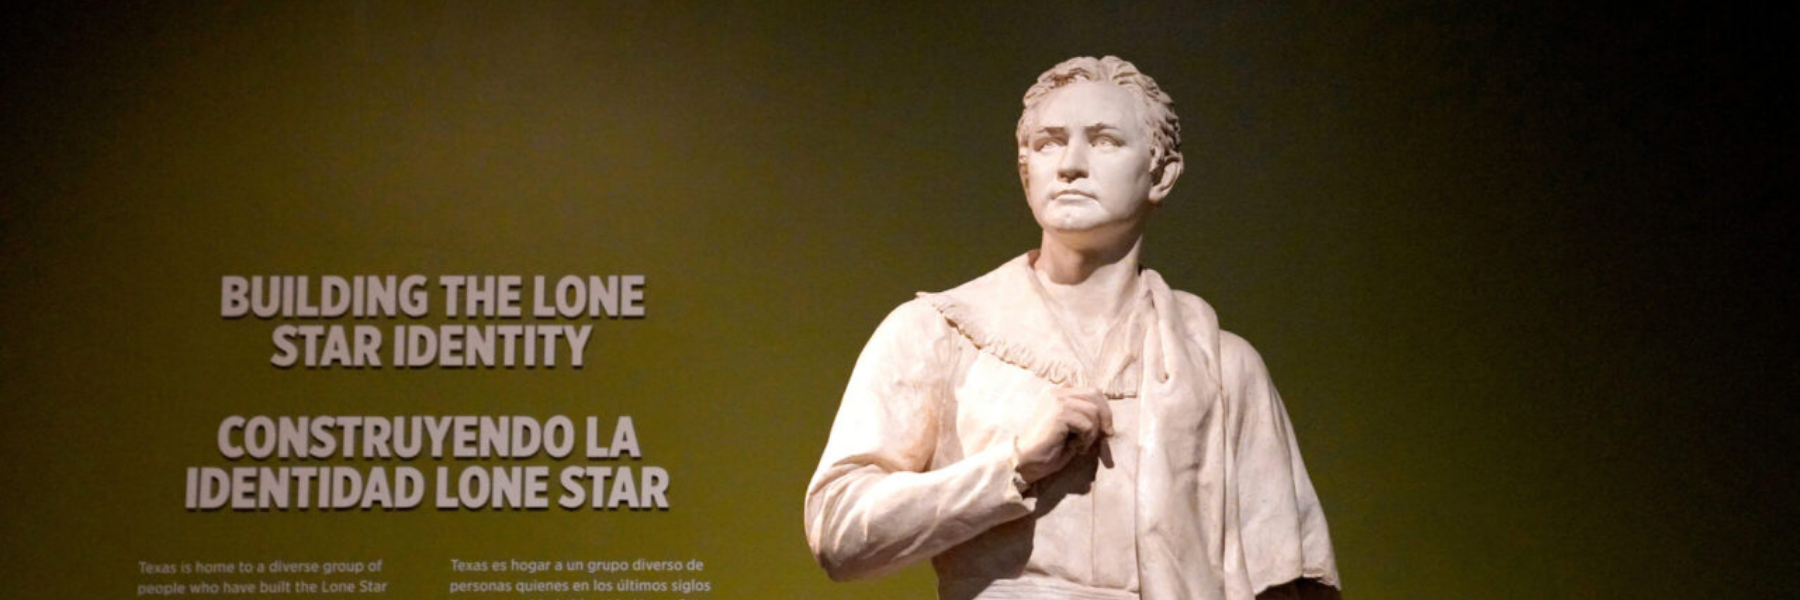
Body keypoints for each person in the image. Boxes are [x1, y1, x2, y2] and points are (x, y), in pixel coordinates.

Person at [804, 56, 1340, 600]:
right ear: (1025, 168)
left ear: (1161, 173)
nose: (1070, 165)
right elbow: (840, 531)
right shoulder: (938, 333)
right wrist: (1012, 465)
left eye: (1105, 140)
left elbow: (1289, 584)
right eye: (1048, 143)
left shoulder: (1222, 368)